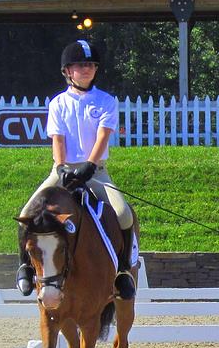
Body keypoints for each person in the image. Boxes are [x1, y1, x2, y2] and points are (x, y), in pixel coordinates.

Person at [15, 39, 136, 301]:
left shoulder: (106, 101)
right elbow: (57, 139)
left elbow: (103, 136)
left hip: (96, 171)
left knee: (123, 213)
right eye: (81, 65)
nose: (88, 69)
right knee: (27, 214)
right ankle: (25, 266)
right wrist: (61, 168)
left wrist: (90, 166)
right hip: (62, 171)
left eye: (91, 65)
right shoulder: (58, 103)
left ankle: (123, 271)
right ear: (67, 71)